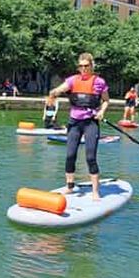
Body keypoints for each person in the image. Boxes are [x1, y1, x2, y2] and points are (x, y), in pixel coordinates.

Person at [48, 52, 110, 201]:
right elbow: (60, 89)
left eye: (86, 66)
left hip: (90, 123)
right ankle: (70, 187)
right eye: (81, 66)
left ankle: (95, 191)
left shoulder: (99, 82)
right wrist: (54, 93)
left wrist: (101, 111)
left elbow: (106, 100)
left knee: (90, 157)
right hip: (74, 123)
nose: (83, 69)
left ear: (91, 66)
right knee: (70, 156)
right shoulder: (72, 80)